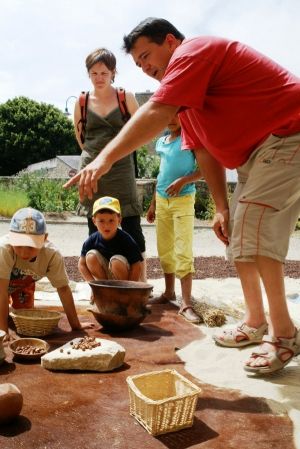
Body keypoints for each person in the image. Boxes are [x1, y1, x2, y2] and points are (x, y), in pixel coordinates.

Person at [65, 18, 300, 375]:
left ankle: (284, 334)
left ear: (171, 41)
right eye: (139, 65)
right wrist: (221, 207)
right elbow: (205, 153)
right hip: (255, 155)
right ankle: (255, 321)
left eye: (147, 56)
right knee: (238, 233)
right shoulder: (187, 103)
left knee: (253, 229)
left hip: (288, 133)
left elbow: (156, 111)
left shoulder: (194, 52)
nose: (146, 68)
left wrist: (103, 159)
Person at [73, 47, 146, 281]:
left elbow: (139, 131)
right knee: (95, 225)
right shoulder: (82, 101)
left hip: (121, 167)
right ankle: (101, 283)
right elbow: (81, 138)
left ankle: (139, 281)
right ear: (88, 74)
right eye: (94, 73)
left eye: (104, 73)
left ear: (113, 72)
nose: (99, 78)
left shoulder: (126, 97)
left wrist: (115, 154)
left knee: (132, 222)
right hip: (92, 172)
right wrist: (92, 161)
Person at [0, 208, 91, 338]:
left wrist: (76, 325)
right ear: (10, 236)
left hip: (22, 284)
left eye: (31, 246)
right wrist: (3, 333)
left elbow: (63, 289)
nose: (24, 252)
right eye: (19, 245)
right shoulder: (4, 249)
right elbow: (1, 291)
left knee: (23, 318)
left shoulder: (52, 255)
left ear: (44, 238)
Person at [146, 114, 201, 323]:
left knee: (182, 250)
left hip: (184, 199)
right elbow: (161, 175)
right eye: (166, 114)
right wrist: (152, 204)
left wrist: (183, 181)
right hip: (161, 200)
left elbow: (203, 170)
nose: (170, 118)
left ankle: (186, 303)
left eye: (175, 114)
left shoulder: (191, 137)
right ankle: (169, 293)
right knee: (164, 249)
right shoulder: (161, 142)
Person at [78, 196, 143, 284]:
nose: (106, 225)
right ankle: (104, 288)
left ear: (119, 220)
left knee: (116, 262)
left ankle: (122, 291)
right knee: (90, 256)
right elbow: (81, 264)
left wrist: (130, 289)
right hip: (106, 276)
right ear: (94, 221)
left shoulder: (126, 239)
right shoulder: (92, 240)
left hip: (125, 278)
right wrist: (93, 285)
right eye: (101, 221)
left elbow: (137, 265)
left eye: (111, 220)